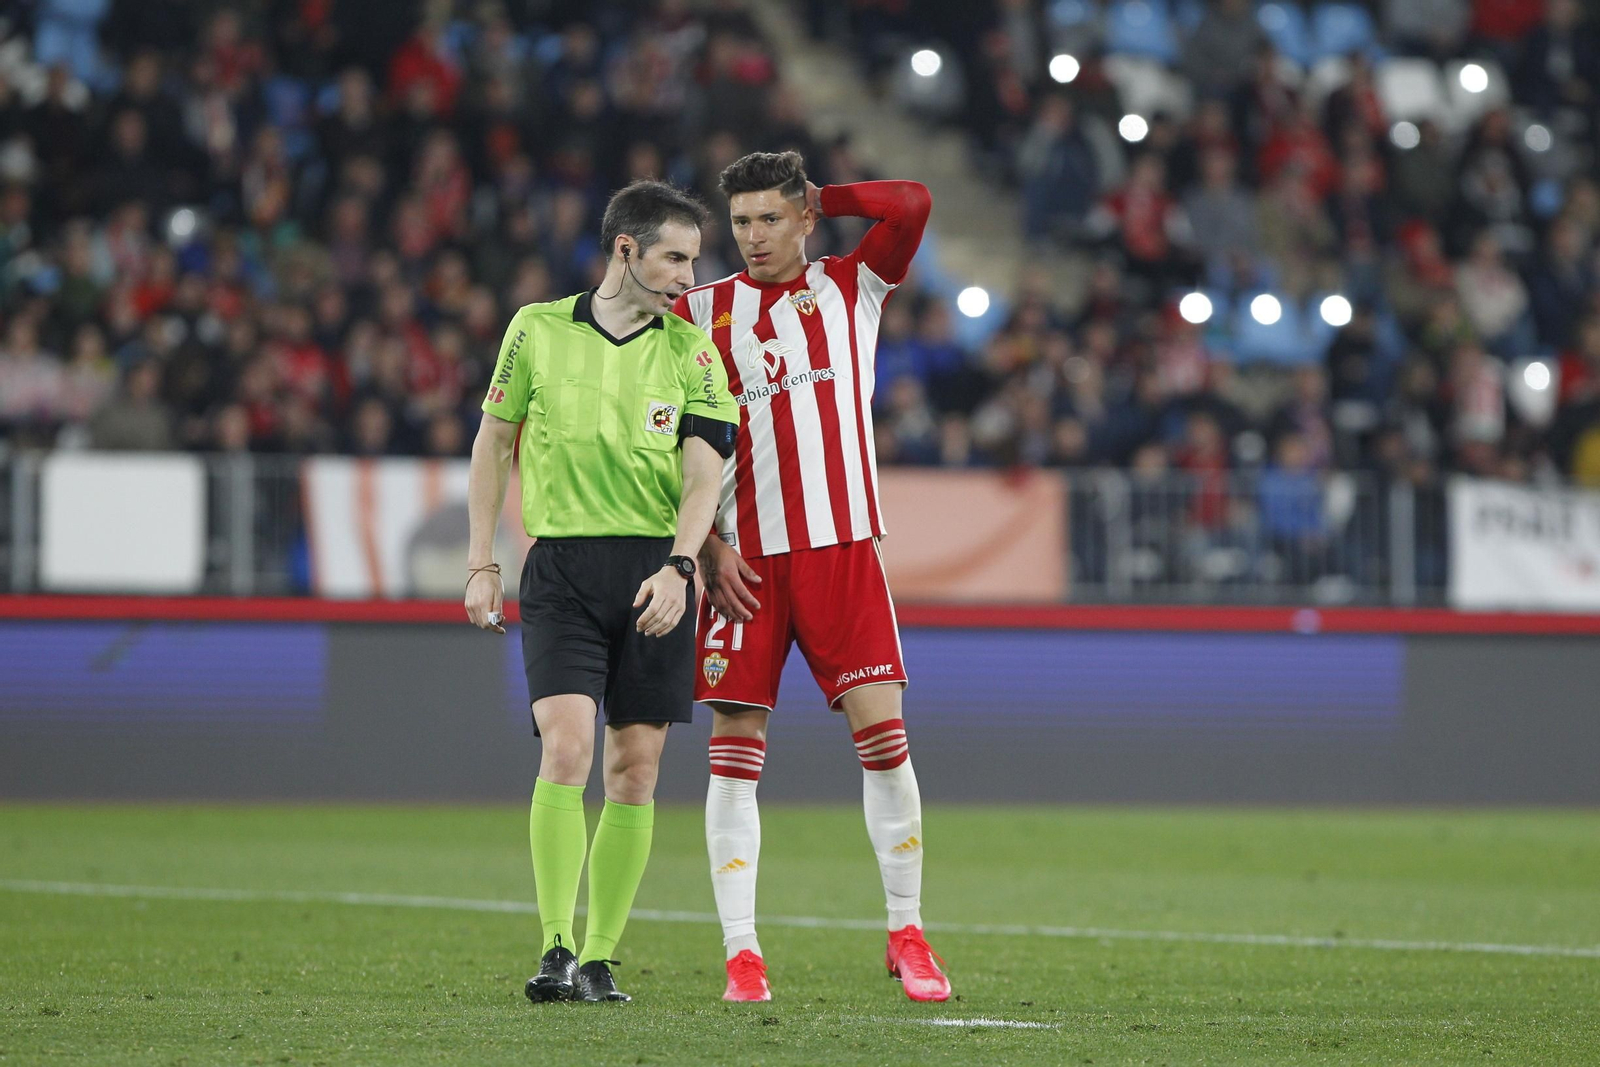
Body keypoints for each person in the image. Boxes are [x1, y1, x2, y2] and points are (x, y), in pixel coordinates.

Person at [670, 151, 949, 1003]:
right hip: (742, 565)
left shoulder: (851, 286)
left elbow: (911, 201)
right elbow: (670, 449)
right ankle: (742, 952)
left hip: (842, 550)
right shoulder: (697, 313)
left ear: (802, 219)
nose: (752, 236)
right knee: (733, 760)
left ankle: (908, 932)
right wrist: (709, 548)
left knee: (886, 744)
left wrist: (824, 194)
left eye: (769, 218)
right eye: (742, 222)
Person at [464, 179, 738, 1004]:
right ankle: (553, 945)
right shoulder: (537, 330)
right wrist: (482, 557)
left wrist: (682, 567)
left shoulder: (692, 352)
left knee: (635, 765)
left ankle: (599, 956)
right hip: (562, 572)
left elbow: (703, 479)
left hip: (655, 572)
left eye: (695, 258)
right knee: (568, 746)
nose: (691, 276)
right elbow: (494, 440)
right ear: (626, 249)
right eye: (676, 257)